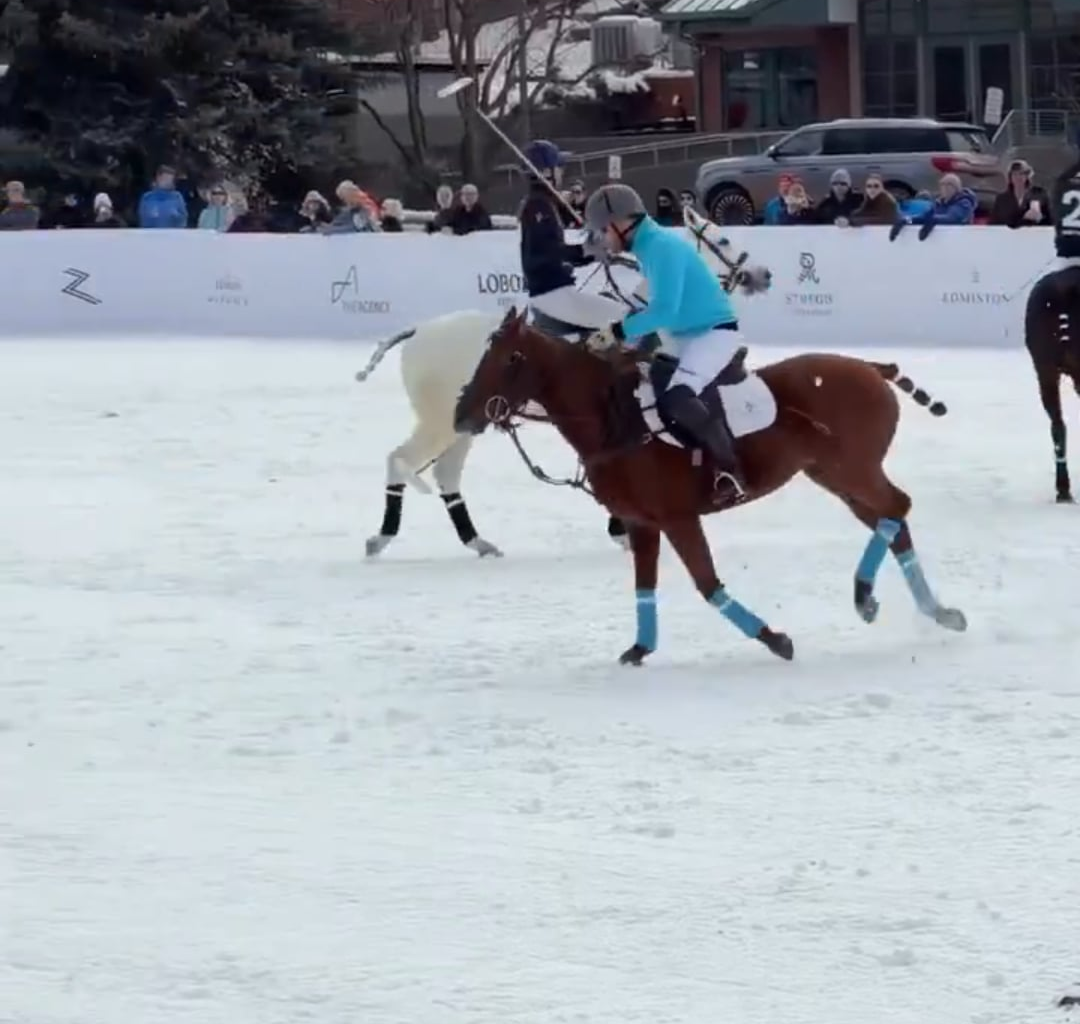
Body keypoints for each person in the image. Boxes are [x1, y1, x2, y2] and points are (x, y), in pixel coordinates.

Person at [582, 182, 746, 504]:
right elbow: (657, 309)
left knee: (679, 396)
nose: (603, 237)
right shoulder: (648, 248)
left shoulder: (661, 247)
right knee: (641, 384)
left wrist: (617, 332)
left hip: (714, 332)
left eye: (604, 230)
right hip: (684, 334)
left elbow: (665, 309)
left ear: (622, 223)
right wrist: (626, 341)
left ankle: (730, 471)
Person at [518, 139, 627, 336]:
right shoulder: (538, 205)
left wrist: (591, 253)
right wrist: (587, 250)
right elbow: (551, 252)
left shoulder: (545, 202)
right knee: (624, 318)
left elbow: (558, 252)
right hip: (551, 295)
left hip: (555, 292)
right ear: (546, 172)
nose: (562, 171)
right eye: (558, 166)